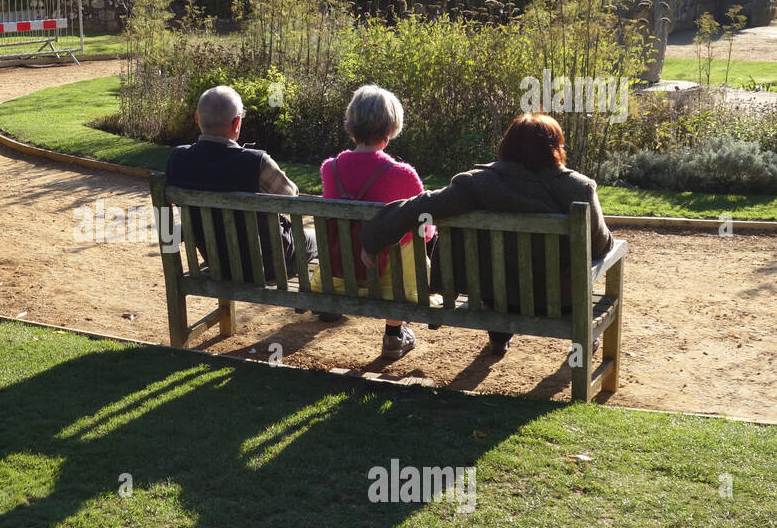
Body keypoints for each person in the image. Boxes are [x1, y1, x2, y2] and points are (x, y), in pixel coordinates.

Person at [360, 112, 613, 356]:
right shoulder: (579, 189)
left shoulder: (478, 184)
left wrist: (374, 238)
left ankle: (499, 335)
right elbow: (601, 248)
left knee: (503, 269)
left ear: (507, 146)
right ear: (556, 149)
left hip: (496, 298)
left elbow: (420, 205)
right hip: (561, 304)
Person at [316, 85, 434, 360]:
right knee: (410, 243)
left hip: (340, 275)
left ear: (351, 123)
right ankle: (393, 334)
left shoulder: (330, 169)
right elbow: (426, 234)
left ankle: (335, 307)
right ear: (391, 128)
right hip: (389, 283)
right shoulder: (403, 175)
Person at [166, 85, 316, 286]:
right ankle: (329, 304)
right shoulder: (257, 162)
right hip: (271, 266)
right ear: (237, 123)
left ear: (197, 118)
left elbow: (167, 230)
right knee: (319, 239)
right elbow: (290, 197)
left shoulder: (177, 159)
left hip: (219, 264)